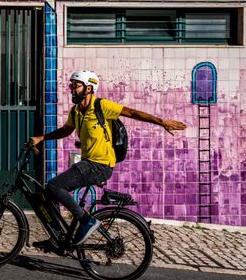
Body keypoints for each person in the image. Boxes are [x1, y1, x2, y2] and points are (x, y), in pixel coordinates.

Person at [29, 70, 187, 246]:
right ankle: (57, 237)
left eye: (76, 86)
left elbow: (132, 113)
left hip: (99, 165)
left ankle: (86, 221)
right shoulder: (76, 112)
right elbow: (66, 130)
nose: (72, 89)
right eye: (71, 86)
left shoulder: (101, 106)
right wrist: (42, 138)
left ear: (88, 88)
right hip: (87, 164)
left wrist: (161, 122)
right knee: (48, 193)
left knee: (54, 186)